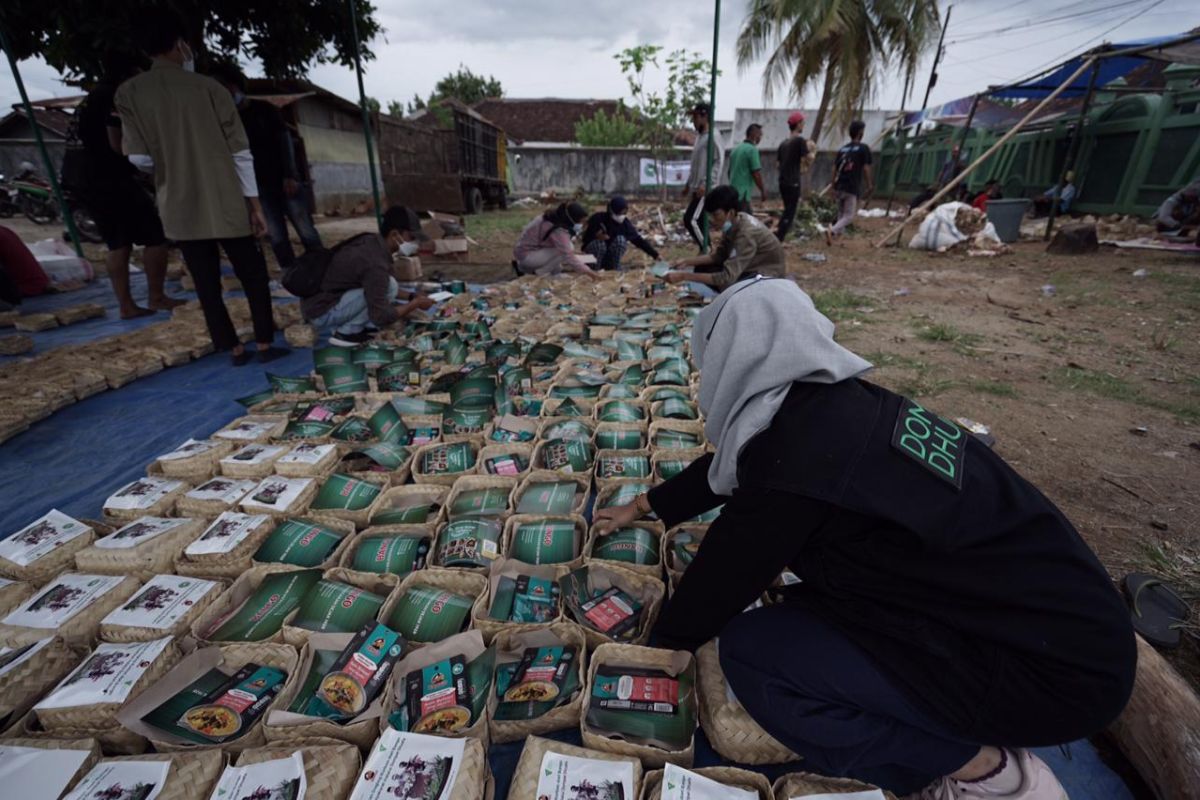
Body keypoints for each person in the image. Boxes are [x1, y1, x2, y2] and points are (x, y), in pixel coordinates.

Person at [595, 278, 1135, 799]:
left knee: (755, 653)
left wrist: (652, 656)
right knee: (815, 605)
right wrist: (645, 505)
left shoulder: (794, 463)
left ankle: (980, 769)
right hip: (1068, 632)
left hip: (1045, 677)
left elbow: (718, 584)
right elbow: (736, 467)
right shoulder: (835, 405)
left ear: (734, 354)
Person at [116, 9, 287, 365]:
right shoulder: (210, 89)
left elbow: (139, 159)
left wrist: (173, 166)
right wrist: (255, 205)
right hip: (224, 198)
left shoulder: (129, 94)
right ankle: (266, 344)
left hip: (178, 202)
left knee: (206, 282)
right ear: (182, 44)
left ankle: (233, 349)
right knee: (252, 274)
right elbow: (241, 152)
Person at [77, 53, 183, 319]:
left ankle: (127, 305)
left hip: (87, 178)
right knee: (155, 236)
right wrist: (145, 167)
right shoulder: (117, 96)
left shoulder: (91, 98)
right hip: (110, 178)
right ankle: (155, 297)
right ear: (129, 74)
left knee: (118, 243)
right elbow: (117, 143)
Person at [210, 64, 322, 268]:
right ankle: (291, 275)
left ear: (233, 87)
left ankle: (323, 269)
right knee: (277, 235)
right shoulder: (228, 120)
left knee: (306, 230)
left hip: (284, 180)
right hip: (259, 187)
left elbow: (284, 141)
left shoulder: (264, 110)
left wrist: (290, 174)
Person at [301, 205, 435, 346]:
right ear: (395, 234)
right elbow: (381, 316)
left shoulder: (372, 242)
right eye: (412, 238)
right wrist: (414, 305)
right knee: (387, 288)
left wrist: (411, 296)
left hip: (322, 301)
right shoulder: (375, 263)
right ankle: (347, 333)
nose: (415, 243)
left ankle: (357, 327)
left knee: (390, 285)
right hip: (321, 312)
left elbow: (380, 286)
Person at [666, 185, 785, 292]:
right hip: (750, 268)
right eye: (710, 215)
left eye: (716, 215)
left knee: (724, 282)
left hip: (767, 278)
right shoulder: (736, 220)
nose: (712, 220)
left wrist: (684, 276)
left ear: (730, 212)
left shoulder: (745, 234)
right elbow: (719, 256)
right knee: (702, 268)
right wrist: (686, 262)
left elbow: (726, 278)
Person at [512, 202, 600, 279]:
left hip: (526, 252)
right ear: (572, 219)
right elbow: (568, 255)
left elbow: (550, 243)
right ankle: (540, 273)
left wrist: (575, 253)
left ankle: (553, 272)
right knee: (566, 249)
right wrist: (589, 272)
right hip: (527, 256)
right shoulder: (557, 229)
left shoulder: (551, 217)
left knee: (567, 247)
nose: (581, 225)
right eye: (580, 222)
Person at [681, 103, 725, 251]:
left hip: (705, 188)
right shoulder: (701, 137)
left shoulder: (714, 136)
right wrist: (688, 185)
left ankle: (707, 249)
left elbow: (718, 162)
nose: (693, 121)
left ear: (704, 116)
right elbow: (696, 165)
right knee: (699, 220)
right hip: (697, 187)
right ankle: (705, 250)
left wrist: (707, 185)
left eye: (695, 117)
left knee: (690, 220)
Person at [581, 196, 660, 271]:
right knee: (599, 244)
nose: (622, 216)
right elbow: (585, 240)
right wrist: (596, 236)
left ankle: (614, 267)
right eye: (620, 213)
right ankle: (594, 269)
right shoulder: (598, 218)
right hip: (591, 258)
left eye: (624, 213)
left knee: (621, 240)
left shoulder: (624, 224)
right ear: (612, 210)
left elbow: (638, 240)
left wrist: (655, 255)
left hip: (608, 258)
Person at [826, 120, 873, 245]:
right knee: (849, 215)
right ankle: (832, 231)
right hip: (851, 186)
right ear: (860, 132)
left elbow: (834, 168)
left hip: (839, 184)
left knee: (841, 213)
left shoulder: (843, 149)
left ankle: (836, 237)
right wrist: (869, 185)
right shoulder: (863, 148)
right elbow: (866, 168)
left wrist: (832, 186)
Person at [776, 112, 810, 242]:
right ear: (798, 124)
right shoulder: (800, 141)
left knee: (787, 209)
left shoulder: (783, 143)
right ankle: (779, 238)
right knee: (790, 212)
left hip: (783, 182)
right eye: (803, 123)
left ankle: (779, 231)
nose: (803, 125)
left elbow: (777, 165)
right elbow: (808, 157)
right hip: (793, 182)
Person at [727, 123, 766, 213]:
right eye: (760, 135)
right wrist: (763, 191)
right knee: (744, 221)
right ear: (754, 134)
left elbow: (729, 172)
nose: (760, 138)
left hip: (733, 192)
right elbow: (756, 174)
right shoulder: (752, 150)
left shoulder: (735, 150)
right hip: (743, 194)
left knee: (740, 219)